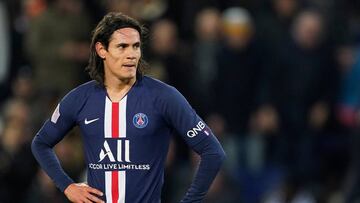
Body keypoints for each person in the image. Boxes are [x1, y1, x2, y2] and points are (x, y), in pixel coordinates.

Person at [31, 12, 226, 203]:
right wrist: (67, 186)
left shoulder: (163, 96)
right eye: (122, 47)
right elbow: (40, 143)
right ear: (102, 50)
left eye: (136, 46)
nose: (131, 54)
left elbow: (213, 151)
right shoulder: (80, 98)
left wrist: (191, 200)